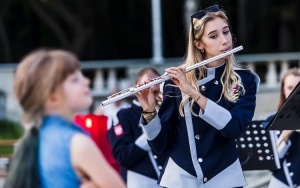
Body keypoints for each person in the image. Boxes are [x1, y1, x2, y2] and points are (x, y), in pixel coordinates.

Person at [136, 4, 260, 188]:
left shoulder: (245, 80)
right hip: (179, 179)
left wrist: (193, 93)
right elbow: (160, 146)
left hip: (224, 177)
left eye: (226, 32)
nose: (225, 40)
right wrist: (149, 112)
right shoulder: (175, 82)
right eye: (214, 36)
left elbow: (234, 128)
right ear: (199, 44)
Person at [4, 49, 125, 188]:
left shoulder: (38, 137)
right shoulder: (77, 143)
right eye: (75, 80)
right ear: (52, 97)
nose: (86, 81)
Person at [107, 67, 168, 188]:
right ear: (137, 88)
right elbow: (122, 156)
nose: (155, 96)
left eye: (158, 91)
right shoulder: (122, 115)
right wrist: (152, 130)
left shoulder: (166, 113)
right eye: (149, 90)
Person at [267, 68, 300, 188]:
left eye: (298, 88)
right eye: (290, 88)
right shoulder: (271, 120)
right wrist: (285, 136)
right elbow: (270, 164)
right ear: (283, 90)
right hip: (280, 183)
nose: (294, 92)